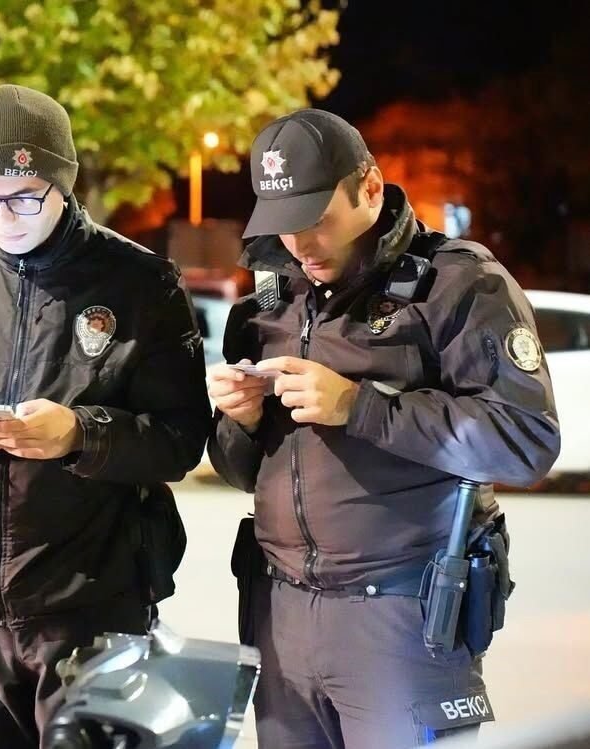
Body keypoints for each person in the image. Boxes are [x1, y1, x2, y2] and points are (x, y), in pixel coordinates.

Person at [0, 84, 211, 748]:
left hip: (93, 608)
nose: (6, 216)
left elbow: (181, 438)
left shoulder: (140, 285)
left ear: (63, 181)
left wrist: (82, 434)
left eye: (26, 196)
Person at [207, 109, 561, 748]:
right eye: (284, 223)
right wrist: (243, 421)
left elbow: (524, 441)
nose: (301, 244)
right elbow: (241, 473)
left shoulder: (457, 283)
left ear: (369, 188)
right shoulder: (268, 302)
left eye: (317, 219)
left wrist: (360, 406)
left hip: (402, 616)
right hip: (279, 612)